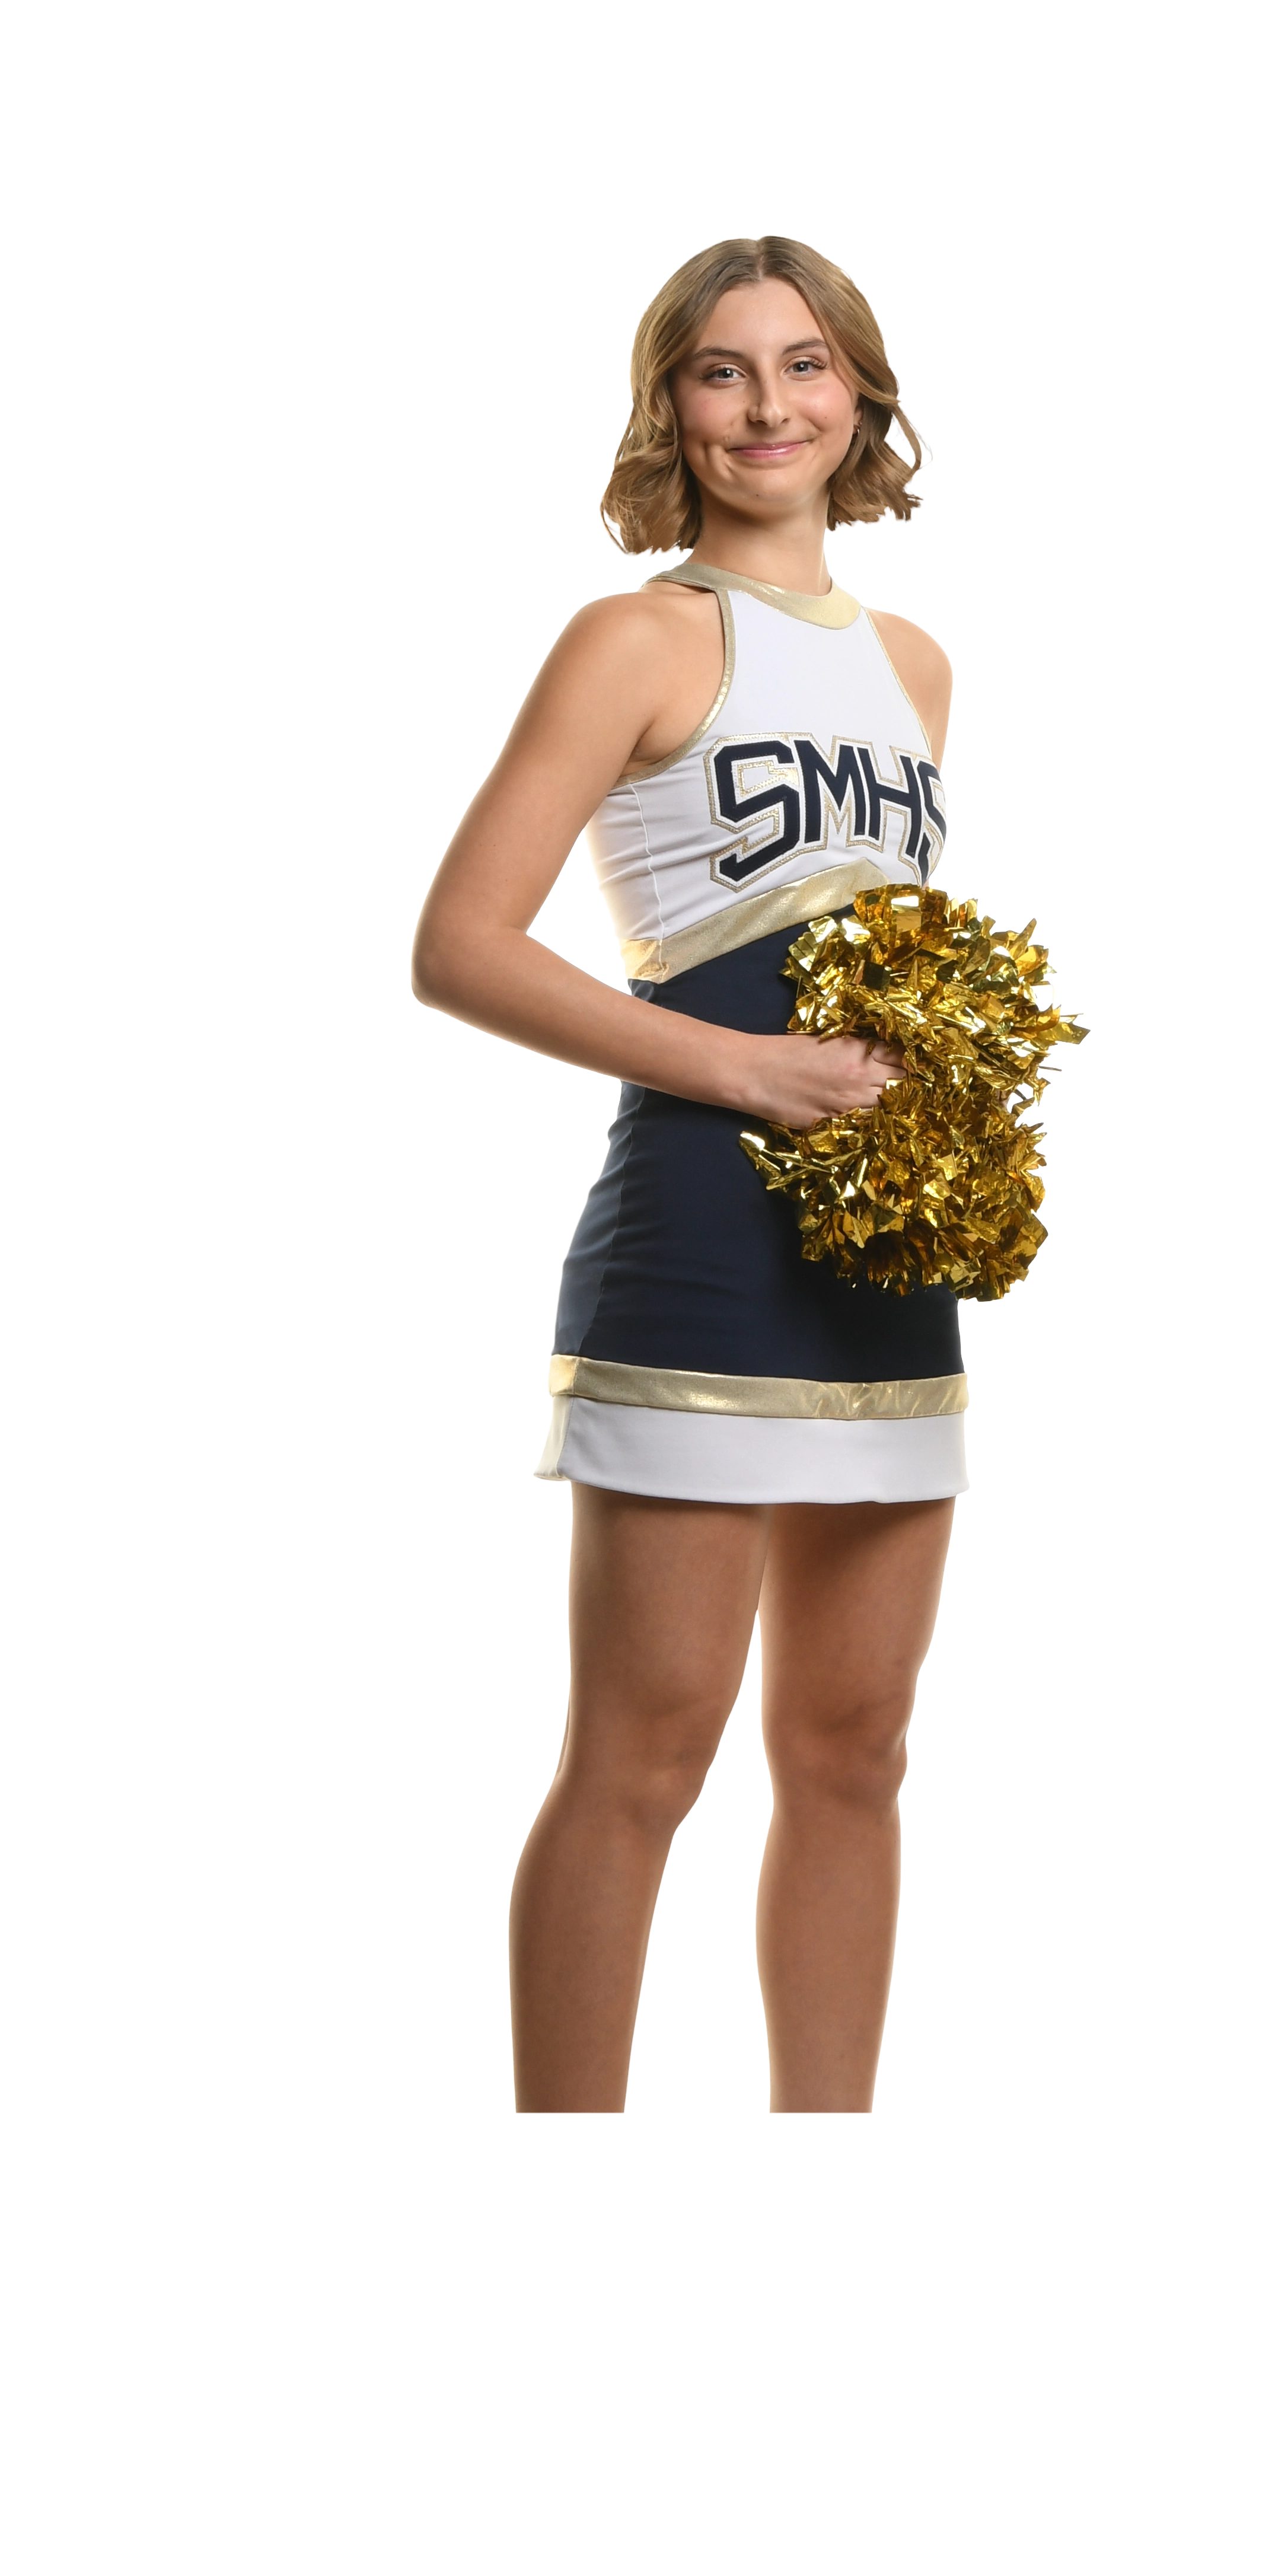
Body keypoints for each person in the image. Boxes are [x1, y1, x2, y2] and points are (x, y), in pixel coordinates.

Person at [413, 235, 963, 2115]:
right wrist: (743, 1070)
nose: (768, 406)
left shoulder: (915, 666)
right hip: (702, 1236)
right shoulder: (639, 640)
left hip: (886, 1249)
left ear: (863, 393)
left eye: (806, 365)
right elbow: (461, 943)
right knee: (645, 1758)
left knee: (857, 1748)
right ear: (669, 406)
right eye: (721, 371)